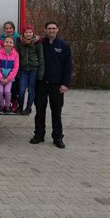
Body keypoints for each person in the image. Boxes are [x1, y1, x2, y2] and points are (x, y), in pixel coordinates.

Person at [30, 21, 72, 149]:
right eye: (49, 28)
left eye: (54, 28)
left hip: (57, 84)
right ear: (45, 30)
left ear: (57, 30)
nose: (51, 30)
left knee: (56, 112)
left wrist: (65, 84)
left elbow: (68, 66)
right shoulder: (40, 43)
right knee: (40, 110)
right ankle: (39, 135)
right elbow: (26, 43)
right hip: (41, 83)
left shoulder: (63, 45)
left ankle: (58, 137)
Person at [16, 24, 44, 115]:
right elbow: (17, 56)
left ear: (33, 33)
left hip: (34, 69)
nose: (28, 34)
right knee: (21, 90)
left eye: (30, 32)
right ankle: (20, 107)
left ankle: (28, 108)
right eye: (26, 32)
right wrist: (17, 70)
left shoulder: (38, 42)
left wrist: (40, 73)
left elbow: (41, 57)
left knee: (31, 90)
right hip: (23, 69)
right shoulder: (19, 42)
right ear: (23, 33)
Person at [0, 36, 19, 114]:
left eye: (10, 42)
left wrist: (8, 79)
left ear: (13, 44)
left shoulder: (15, 54)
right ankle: (2, 106)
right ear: (3, 43)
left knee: (7, 91)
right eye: (7, 42)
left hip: (9, 78)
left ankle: (8, 106)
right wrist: (0, 78)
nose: (8, 43)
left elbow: (15, 68)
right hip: (0, 77)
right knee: (0, 91)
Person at [0, 21, 21, 111]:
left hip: (14, 63)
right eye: (6, 28)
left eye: (10, 28)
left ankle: (14, 102)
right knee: (2, 89)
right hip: (4, 65)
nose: (8, 30)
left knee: (14, 86)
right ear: (4, 29)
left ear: (13, 29)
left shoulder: (18, 38)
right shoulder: (2, 38)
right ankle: (3, 104)